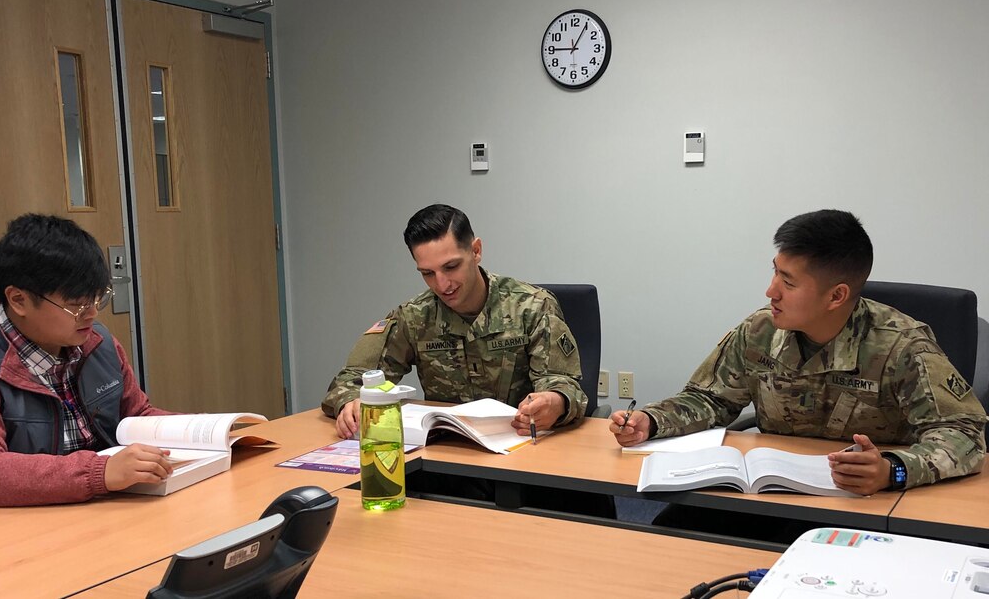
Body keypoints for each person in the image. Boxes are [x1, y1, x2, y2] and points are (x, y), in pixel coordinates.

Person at [610, 209, 986, 496]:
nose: (770, 291)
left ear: (836, 295)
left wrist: (894, 469)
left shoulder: (902, 346)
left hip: (865, 502)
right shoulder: (759, 331)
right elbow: (708, 399)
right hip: (772, 492)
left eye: (788, 282)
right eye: (775, 272)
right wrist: (651, 421)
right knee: (673, 535)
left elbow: (965, 435)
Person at [0, 214, 177, 516]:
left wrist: (217, 432)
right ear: (18, 300)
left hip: (90, 510)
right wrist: (99, 472)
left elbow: (137, 416)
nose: (92, 313)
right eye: (77, 304)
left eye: (97, 298)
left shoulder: (97, 343)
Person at [322, 203, 587, 439]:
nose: (442, 284)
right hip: (448, 451)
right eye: (427, 273)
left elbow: (562, 383)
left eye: (451, 267)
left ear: (476, 250)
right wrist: (351, 402)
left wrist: (555, 402)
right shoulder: (415, 316)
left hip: (520, 447)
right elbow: (354, 378)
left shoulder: (532, 306)